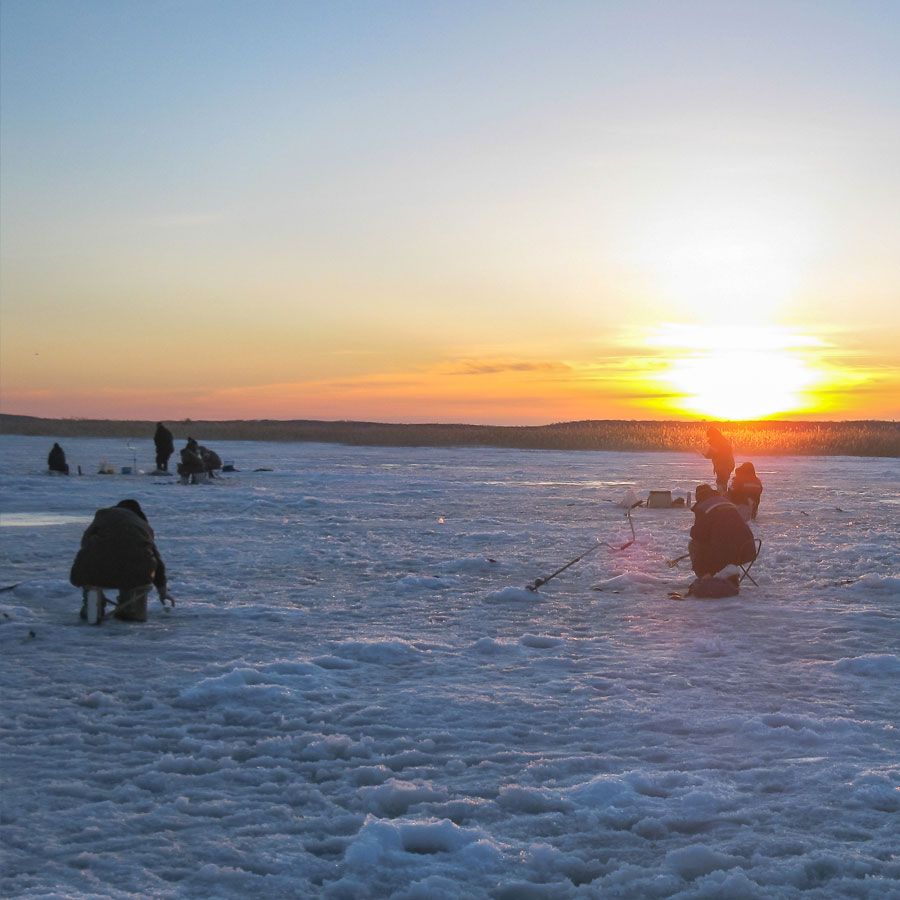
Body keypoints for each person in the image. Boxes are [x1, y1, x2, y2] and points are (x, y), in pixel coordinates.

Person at [70, 499, 173, 622]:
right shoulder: (143, 526)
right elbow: (157, 563)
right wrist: (162, 593)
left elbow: (85, 542)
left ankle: (93, 603)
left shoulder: (104, 515)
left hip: (94, 569)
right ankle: (131, 609)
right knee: (136, 578)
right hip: (137, 571)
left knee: (91, 576)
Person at [688, 483, 756, 578]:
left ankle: (705, 578)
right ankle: (728, 574)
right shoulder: (726, 501)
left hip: (724, 553)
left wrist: (693, 530)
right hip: (747, 549)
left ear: (698, 497)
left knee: (694, 545)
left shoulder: (703, 507)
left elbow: (699, 535)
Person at [703, 426, 735, 493]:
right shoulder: (724, 441)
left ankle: (721, 496)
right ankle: (724, 495)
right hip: (729, 464)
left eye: (709, 436)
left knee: (720, 482)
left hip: (722, 465)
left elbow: (710, 454)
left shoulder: (715, 443)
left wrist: (704, 454)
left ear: (712, 435)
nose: (709, 438)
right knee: (723, 481)